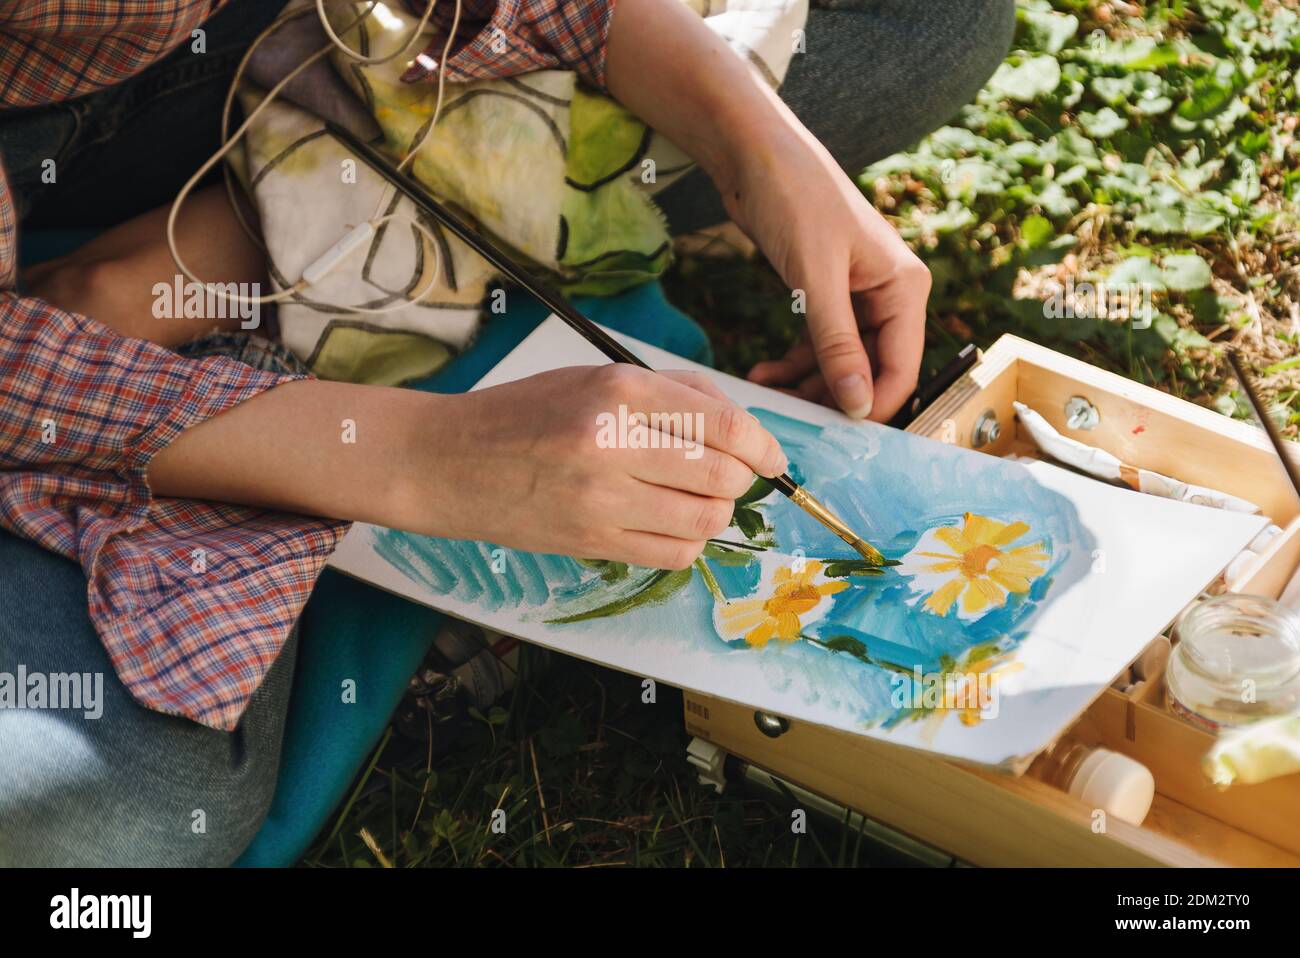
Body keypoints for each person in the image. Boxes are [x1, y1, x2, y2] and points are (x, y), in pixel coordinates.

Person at [0, 0, 1015, 864]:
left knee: (926, 22)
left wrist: (749, 140)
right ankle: (303, 239)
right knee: (109, 809)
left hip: (293, 65)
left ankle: (265, 229)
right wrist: (422, 456)